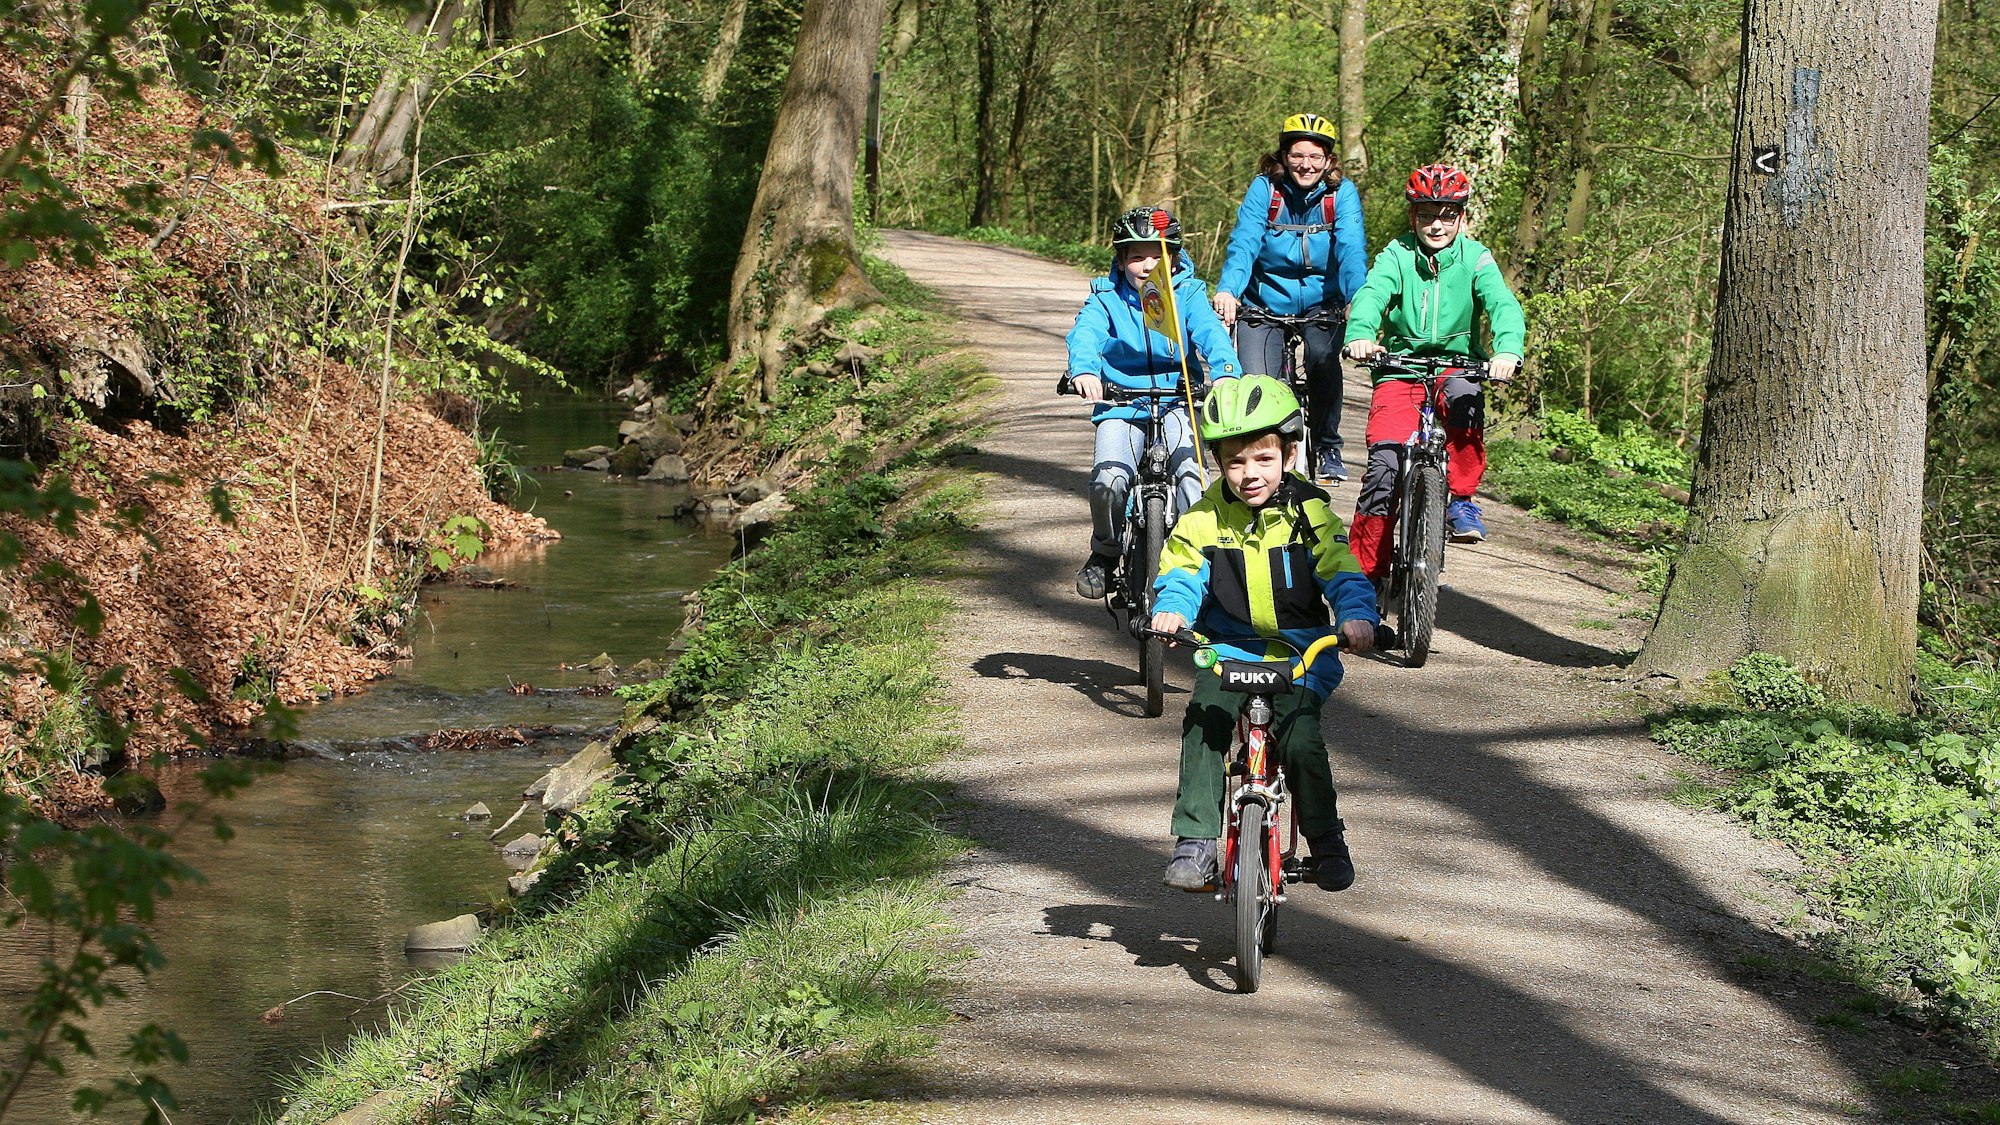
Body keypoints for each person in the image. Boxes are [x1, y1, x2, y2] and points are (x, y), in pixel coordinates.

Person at [1148, 375, 1379, 893]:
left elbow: (1341, 569)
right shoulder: (1204, 517)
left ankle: (1325, 841)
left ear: (1289, 456)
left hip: (1300, 653)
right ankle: (1196, 841)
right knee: (1205, 723)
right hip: (1226, 650)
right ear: (1218, 463)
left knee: (1299, 741)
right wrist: (1172, 611)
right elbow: (1182, 571)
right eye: (1235, 461)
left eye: (1263, 459)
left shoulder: (1310, 512)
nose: (1249, 474)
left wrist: (1356, 615)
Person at [1342, 163, 1526, 572]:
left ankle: (1461, 500)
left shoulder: (1476, 257)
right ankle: (1364, 574)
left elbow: (1502, 303)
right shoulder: (1397, 254)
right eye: (1427, 214)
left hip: (1457, 364)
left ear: (1462, 217)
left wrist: (1508, 350)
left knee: (1463, 401)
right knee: (1383, 469)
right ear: (1413, 216)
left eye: (1448, 215)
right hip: (1400, 368)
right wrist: (1361, 334)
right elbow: (1372, 294)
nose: (1437, 225)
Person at [1067, 205, 1242, 601]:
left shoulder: (1189, 294)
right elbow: (1085, 334)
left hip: (1180, 398)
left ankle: (1200, 562)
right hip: (1121, 402)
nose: (1147, 265)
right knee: (1108, 481)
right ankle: (1106, 552)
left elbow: (1211, 334)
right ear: (1120, 259)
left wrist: (1226, 371)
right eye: (1135, 256)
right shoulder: (1106, 297)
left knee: (1193, 479)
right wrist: (1085, 371)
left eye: (1156, 254)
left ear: (1175, 256)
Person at [1211, 112, 1368, 484]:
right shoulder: (1265, 190)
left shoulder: (1340, 194)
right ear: (1283, 156)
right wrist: (1229, 290)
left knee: (1323, 358)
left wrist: (1356, 300)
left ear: (1329, 160)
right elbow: (1245, 242)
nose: (1306, 164)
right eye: (1297, 155)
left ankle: (1328, 443)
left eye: (1315, 157)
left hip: (1322, 304)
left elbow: (1351, 249)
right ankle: (1269, 454)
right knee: (1257, 383)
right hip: (1263, 303)